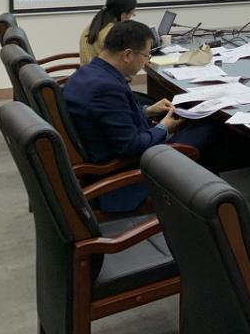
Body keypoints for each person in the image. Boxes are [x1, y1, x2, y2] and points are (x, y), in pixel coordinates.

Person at [64, 20, 213, 212]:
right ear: (127, 55)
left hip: (111, 150)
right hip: (121, 177)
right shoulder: (106, 88)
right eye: (146, 55)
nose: (147, 61)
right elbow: (130, 147)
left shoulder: (88, 72)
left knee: (194, 118)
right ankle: (211, 208)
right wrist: (164, 128)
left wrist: (147, 111)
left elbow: (109, 117)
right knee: (209, 126)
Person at [79, 0, 137, 65]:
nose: (131, 17)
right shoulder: (113, 33)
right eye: (132, 14)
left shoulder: (90, 28)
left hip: (86, 71)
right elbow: (123, 63)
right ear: (123, 15)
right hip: (102, 72)